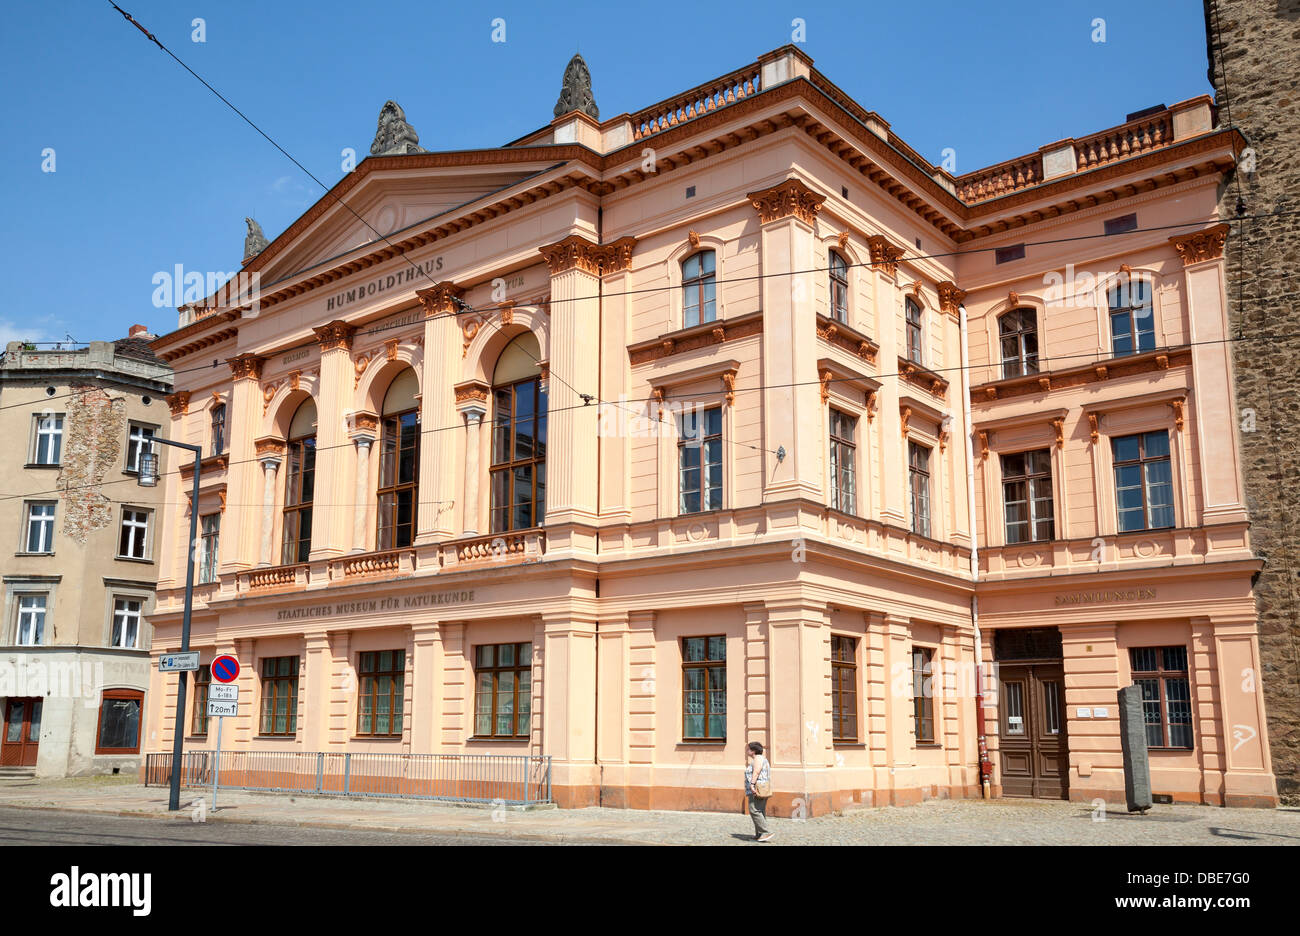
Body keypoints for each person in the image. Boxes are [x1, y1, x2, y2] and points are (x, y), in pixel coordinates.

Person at [744, 741, 773, 842]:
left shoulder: (758, 759)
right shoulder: (761, 758)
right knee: (760, 810)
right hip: (762, 787)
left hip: (757, 788)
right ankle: (759, 834)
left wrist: (752, 784)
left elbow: (756, 772)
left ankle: (765, 832)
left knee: (754, 810)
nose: (747, 750)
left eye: (748, 749)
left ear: (753, 751)